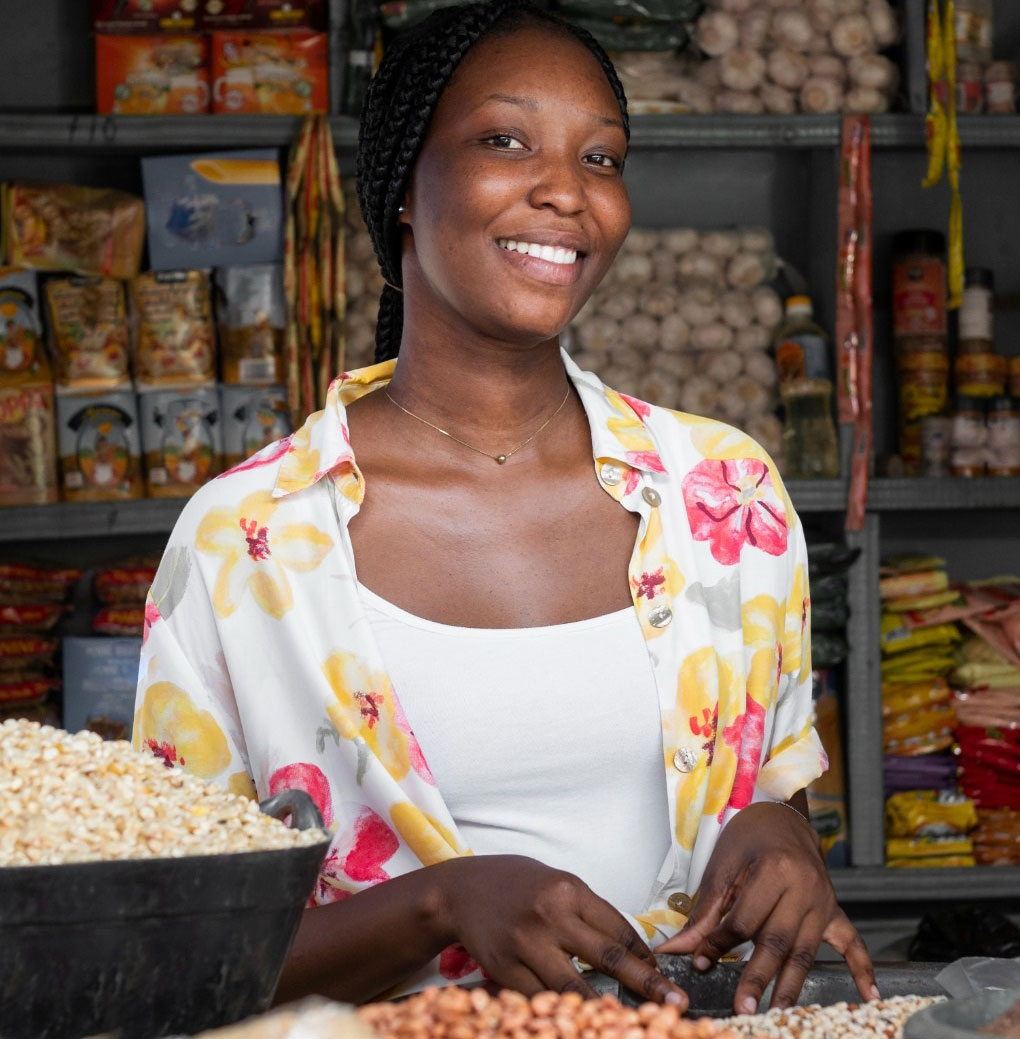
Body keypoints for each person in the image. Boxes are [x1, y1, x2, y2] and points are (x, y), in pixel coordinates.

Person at [133, 0, 876, 1016]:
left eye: (603, 159)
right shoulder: (245, 541)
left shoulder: (721, 491)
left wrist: (780, 834)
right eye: (504, 140)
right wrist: (437, 904)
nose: (566, 192)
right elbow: (177, 953)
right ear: (405, 187)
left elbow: (769, 790)